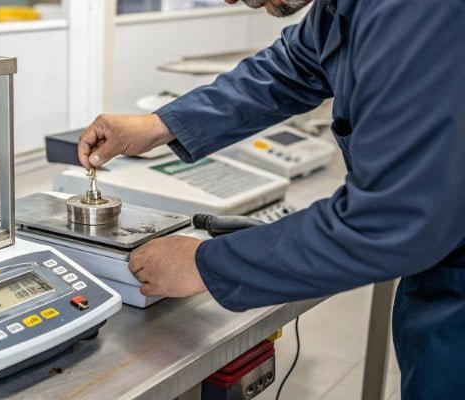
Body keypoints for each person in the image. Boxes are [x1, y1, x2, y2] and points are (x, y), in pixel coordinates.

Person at [77, 0, 465, 398]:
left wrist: (205, 264)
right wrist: (159, 125)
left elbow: (390, 220)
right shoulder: (342, 8)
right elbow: (288, 70)